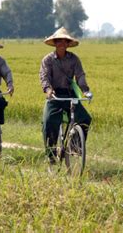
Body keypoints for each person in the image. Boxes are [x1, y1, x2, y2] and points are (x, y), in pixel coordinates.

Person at [39, 27, 93, 164]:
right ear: (55, 43)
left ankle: (74, 146)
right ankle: (51, 154)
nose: (62, 44)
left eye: (64, 42)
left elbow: (80, 76)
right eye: (59, 41)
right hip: (54, 95)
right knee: (48, 121)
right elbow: (44, 77)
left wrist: (85, 90)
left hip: (70, 94)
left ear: (68, 44)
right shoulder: (48, 60)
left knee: (84, 118)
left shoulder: (74, 59)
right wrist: (48, 90)